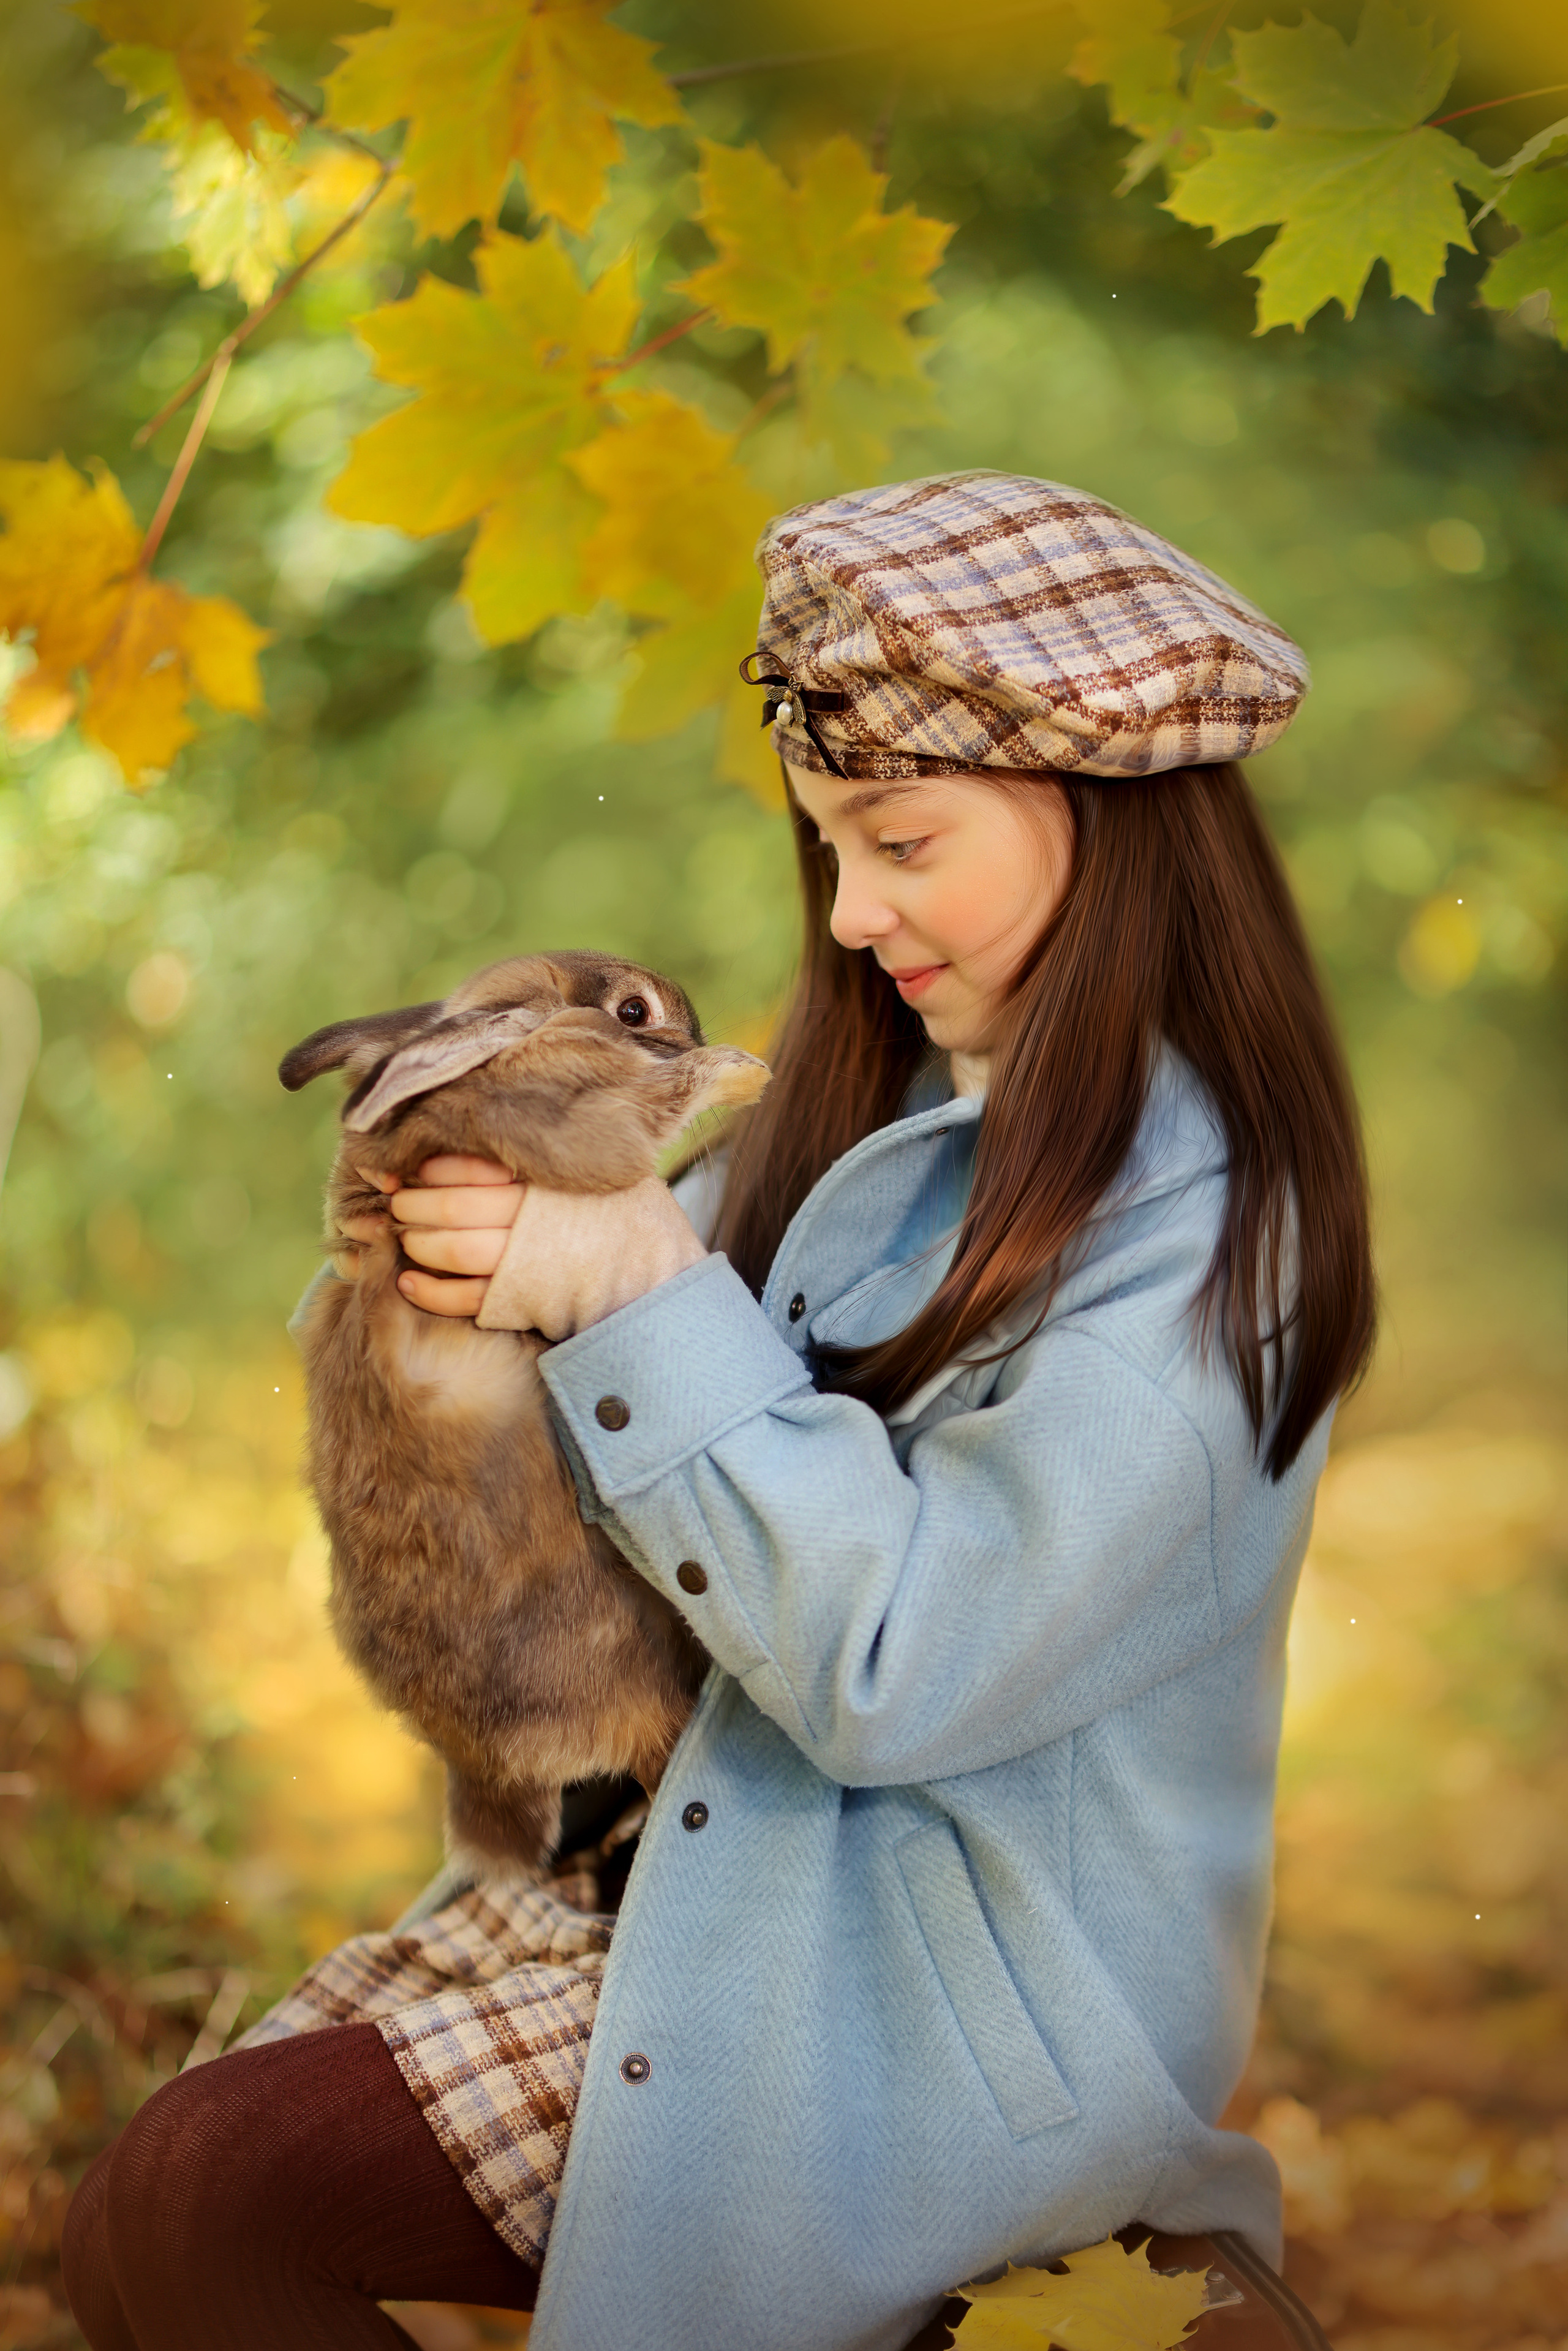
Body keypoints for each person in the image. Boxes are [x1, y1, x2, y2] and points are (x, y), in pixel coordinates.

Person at [62, 472, 1373, 2351]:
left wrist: (631, 1286)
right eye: (829, 847)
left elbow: (901, 1663)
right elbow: (560, 1394)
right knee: (155, 2215)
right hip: (689, 1877)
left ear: (1110, 819)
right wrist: (459, 1211)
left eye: (902, 842)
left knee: (220, 2190)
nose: (851, 913)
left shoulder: (1208, 1242)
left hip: (924, 2004)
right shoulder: (875, 1136)